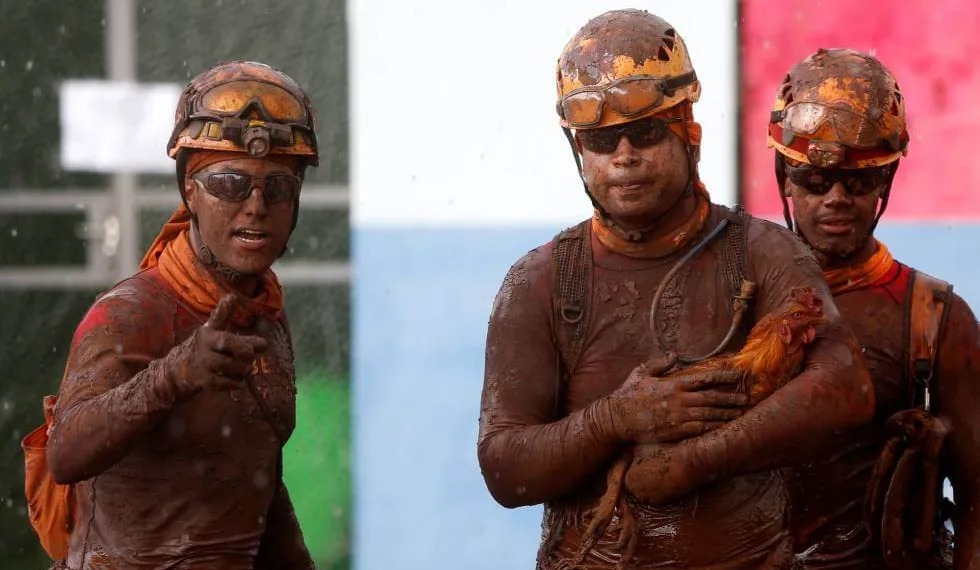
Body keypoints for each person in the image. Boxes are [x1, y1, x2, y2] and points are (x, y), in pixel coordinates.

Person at [477, 10, 874, 570]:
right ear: (578, 151)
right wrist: (616, 418)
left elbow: (846, 390)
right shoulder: (541, 280)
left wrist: (695, 461)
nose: (624, 157)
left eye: (644, 133)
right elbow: (504, 469)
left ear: (690, 132)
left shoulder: (762, 252)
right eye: (600, 140)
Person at [33, 60, 319, 569]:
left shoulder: (265, 315)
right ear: (191, 191)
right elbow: (66, 455)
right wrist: (175, 374)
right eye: (230, 183)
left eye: (277, 187)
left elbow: (256, 483)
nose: (255, 206)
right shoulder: (130, 313)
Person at [765, 48, 980, 569]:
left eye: (858, 181)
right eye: (816, 182)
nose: (836, 197)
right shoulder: (738, 296)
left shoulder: (935, 318)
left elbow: (978, 496)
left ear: (885, 183)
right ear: (786, 181)